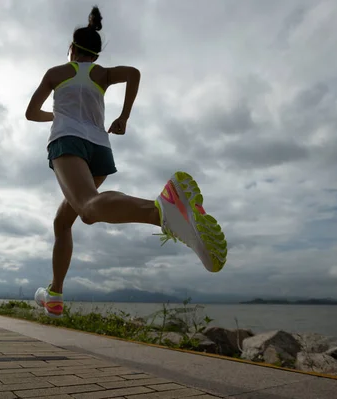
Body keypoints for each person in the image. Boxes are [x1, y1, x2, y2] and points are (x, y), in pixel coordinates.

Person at [25, 6, 227, 318]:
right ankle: (54, 292)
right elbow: (133, 73)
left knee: (88, 207)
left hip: (68, 142)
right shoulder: (102, 75)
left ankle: (160, 210)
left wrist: (60, 115)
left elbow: (30, 113)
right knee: (65, 221)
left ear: (71, 49)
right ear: (94, 53)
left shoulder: (56, 73)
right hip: (100, 151)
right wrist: (124, 116)